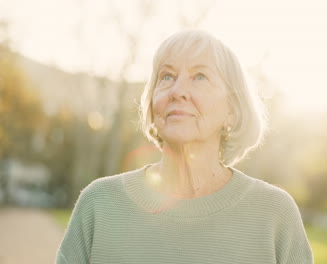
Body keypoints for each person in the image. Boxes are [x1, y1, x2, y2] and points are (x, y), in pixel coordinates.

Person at [56, 30, 313, 264]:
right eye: (166, 76)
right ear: (152, 103)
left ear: (232, 110)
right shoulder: (99, 204)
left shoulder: (274, 213)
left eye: (200, 76)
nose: (178, 91)